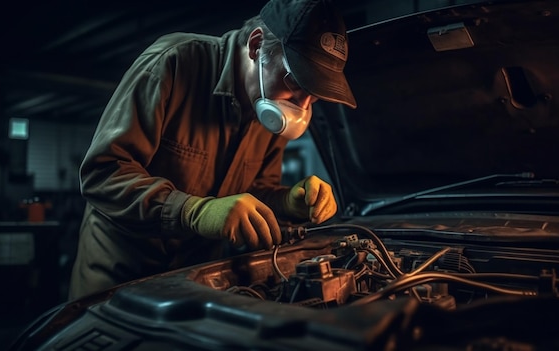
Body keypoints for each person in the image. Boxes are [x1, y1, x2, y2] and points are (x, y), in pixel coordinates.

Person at [69, 0, 357, 300]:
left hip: (196, 280)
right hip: (120, 277)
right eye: (293, 81)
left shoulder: (273, 109)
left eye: (313, 95)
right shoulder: (174, 62)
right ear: (257, 46)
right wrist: (194, 211)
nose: (301, 107)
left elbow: (254, 190)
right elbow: (102, 174)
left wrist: (285, 201)